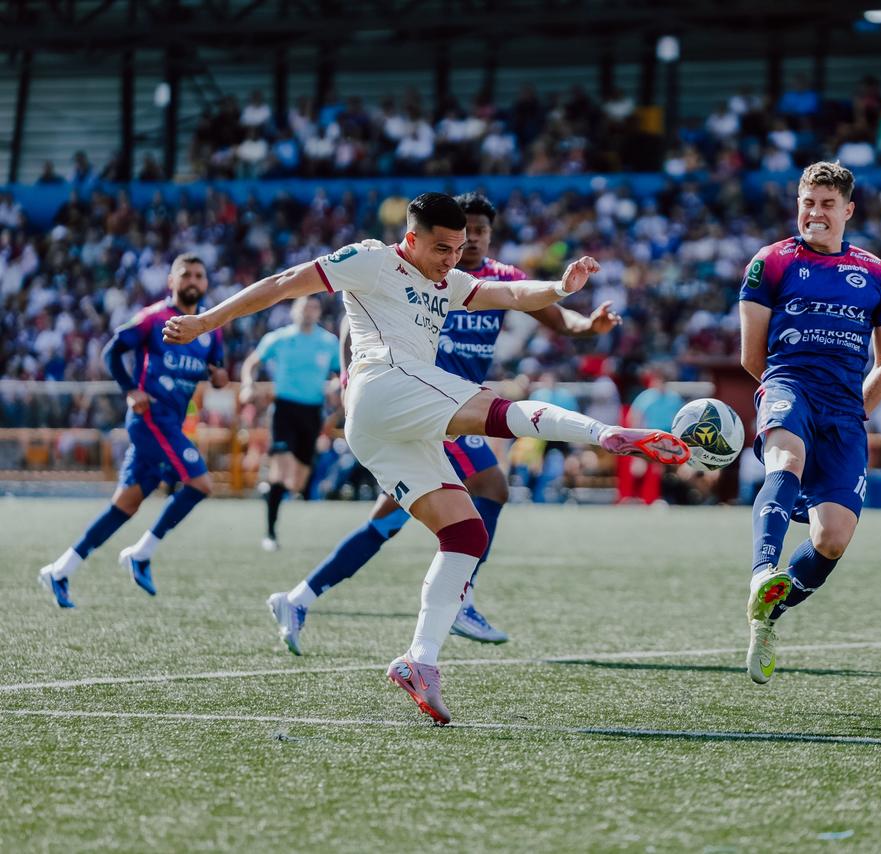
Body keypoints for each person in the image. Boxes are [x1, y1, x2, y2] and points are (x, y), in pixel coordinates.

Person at [163, 192, 688, 723]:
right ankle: (609, 434)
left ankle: (420, 660)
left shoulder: (451, 282)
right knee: (496, 411)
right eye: (441, 248)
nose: (452, 258)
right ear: (410, 239)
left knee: (465, 534)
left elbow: (507, 294)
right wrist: (206, 321)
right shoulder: (370, 259)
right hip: (383, 387)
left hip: (391, 429)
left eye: (459, 247)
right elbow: (281, 284)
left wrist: (559, 288)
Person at [266, 192, 622, 653]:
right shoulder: (417, 273)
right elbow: (354, 322)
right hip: (426, 406)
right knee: (491, 487)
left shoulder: (490, 280)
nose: (470, 240)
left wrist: (586, 325)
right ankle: (462, 597)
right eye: (463, 231)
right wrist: (349, 375)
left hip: (451, 409)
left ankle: (299, 598)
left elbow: (551, 313)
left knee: (389, 521)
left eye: (479, 232)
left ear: (490, 236)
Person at [738, 161, 881, 685]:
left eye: (827, 204)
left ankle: (767, 618)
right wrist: (782, 393)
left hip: (844, 412)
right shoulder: (771, 262)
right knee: (787, 458)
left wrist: (859, 409)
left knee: (832, 538)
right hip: (789, 385)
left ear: (847, 210)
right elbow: (750, 355)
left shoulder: (878, 274)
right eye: (808, 202)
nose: (816, 212)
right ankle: (763, 570)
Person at [38, 255, 229, 607]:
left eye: (199, 276)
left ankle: (60, 570)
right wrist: (130, 389)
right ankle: (142, 552)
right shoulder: (153, 318)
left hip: (172, 421)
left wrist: (218, 377)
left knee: (126, 504)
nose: (193, 280)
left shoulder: (209, 327)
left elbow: (216, 371)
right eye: (185, 274)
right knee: (201, 483)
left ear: (205, 284)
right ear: (171, 281)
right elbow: (113, 351)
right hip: (151, 418)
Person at [239, 296, 341, 550]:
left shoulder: (328, 342)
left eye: (314, 308)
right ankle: (270, 533)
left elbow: (342, 372)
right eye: (304, 307)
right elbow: (251, 363)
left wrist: (337, 386)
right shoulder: (279, 338)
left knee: (297, 482)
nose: (308, 312)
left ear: (319, 312)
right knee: (281, 471)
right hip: (284, 409)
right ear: (294, 311)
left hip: (313, 412)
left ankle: (272, 487)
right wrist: (248, 384)